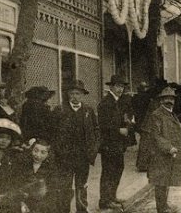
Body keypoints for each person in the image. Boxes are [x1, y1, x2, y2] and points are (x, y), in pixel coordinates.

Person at [53, 80, 100, 213]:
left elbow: (96, 130)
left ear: (82, 95)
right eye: (72, 93)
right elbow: (53, 132)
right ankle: (63, 210)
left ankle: (82, 210)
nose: (75, 96)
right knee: (65, 187)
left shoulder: (88, 110)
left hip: (83, 156)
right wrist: (59, 150)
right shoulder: (60, 110)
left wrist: (94, 149)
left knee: (82, 185)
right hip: (65, 157)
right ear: (68, 94)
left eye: (78, 93)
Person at [140, 87, 181, 213]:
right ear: (161, 100)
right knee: (160, 182)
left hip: (169, 154)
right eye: (166, 98)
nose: (169, 101)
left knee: (166, 180)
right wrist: (169, 147)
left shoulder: (171, 113)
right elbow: (156, 135)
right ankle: (161, 208)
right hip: (160, 154)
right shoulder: (157, 115)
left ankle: (164, 206)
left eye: (171, 98)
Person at [97, 75, 130, 210]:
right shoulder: (106, 103)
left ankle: (111, 196)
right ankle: (105, 200)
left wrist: (127, 122)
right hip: (108, 143)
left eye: (122, 86)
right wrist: (119, 130)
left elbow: (119, 119)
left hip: (117, 143)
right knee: (109, 171)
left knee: (117, 168)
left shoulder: (117, 101)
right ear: (111, 87)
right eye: (117, 86)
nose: (120, 89)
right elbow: (103, 124)